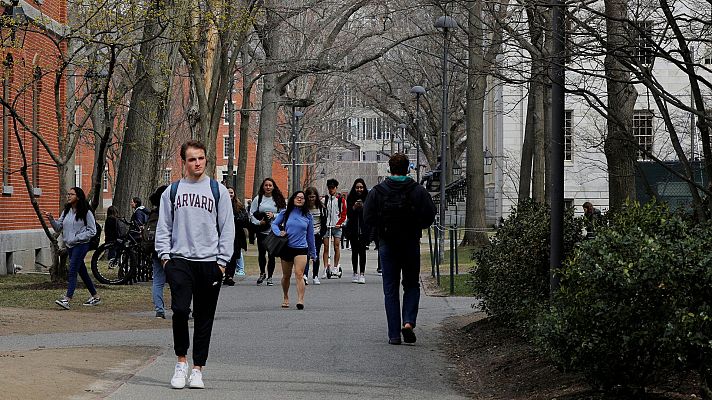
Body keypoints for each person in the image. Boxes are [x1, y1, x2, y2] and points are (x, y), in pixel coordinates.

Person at [155, 140, 235, 389]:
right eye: (192, 159)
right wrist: (165, 258)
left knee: (204, 316)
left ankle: (198, 368)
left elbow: (227, 228)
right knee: (179, 310)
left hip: (210, 262)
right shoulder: (173, 191)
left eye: (200, 158)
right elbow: (164, 226)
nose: (197, 163)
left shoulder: (217, 190)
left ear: (206, 160)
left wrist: (222, 263)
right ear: (184, 162)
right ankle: (181, 362)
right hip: (179, 261)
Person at [364, 153, 436, 345]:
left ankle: (394, 334)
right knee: (411, 285)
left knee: (390, 289)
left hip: (387, 243)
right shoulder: (418, 190)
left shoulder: (378, 191)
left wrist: (379, 230)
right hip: (410, 242)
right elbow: (430, 215)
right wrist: (416, 225)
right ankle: (409, 322)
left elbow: (368, 217)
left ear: (390, 168)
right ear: (408, 169)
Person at [44, 187, 102, 309]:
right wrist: (51, 219)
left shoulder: (86, 212)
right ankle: (95, 296)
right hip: (70, 245)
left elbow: (92, 231)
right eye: (68, 194)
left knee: (72, 269)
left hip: (81, 245)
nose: (69, 196)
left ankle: (67, 299)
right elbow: (58, 228)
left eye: (72, 194)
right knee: (82, 271)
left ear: (78, 197)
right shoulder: (66, 211)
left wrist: (77, 237)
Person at [273, 191, 317, 310]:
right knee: (286, 276)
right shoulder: (285, 213)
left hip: (302, 248)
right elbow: (274, 224)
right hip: (287, 247)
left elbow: (310, 236)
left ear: (305, 201)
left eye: (302, 198)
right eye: (297, 197)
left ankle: (300, 300)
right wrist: (279, 232)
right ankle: (286, 297)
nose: (299, 199)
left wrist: (313, 252)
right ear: (293, 199)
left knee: (299, 274)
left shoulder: (307, 215)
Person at [249, 178, 286, 286]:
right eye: (266, 185)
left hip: (274, 231)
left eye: (270, 185)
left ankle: (270, 277)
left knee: (271, 254)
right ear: (263, 187)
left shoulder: (278, 199)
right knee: (261, 253)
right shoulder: (258, 199)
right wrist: (258, 222)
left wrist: (274, 215)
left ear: (273, 187)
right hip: (262, 231)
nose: (268, 187)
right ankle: (262, 273)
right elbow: (251, 214)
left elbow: (284, 213)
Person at [145, 185, 168, 319]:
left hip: (155, 250)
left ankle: (159, 309)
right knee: (178, 281)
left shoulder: (154, 213)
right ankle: (182, 308)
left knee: (158, 281)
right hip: (172, 251)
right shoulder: (172, 212)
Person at [344, 178, 369, 284]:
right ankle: (355, 272)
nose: (359, 189)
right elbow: (348, 214)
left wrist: (363, 207)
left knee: (362, 251)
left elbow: (369, 213)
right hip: (353, 229)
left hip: (364, 229)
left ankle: (362, 273)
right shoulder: (350, 198)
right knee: (354, 251)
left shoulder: (368, 198)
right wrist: (354, 207)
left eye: (361, 187)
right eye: (357, 187)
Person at [224, 186, 249, 286]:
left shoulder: (239, 206)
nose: (230, 195)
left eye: (231, 193)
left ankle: (230, 276)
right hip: (223, 234)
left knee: (234, 256)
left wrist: (236, 219)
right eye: (228, 192)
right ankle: (224, 274)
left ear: (234, 194)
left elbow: (245, 220)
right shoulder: (220, 204)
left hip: (236, 235)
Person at [322, 178, 346, 279]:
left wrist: (339, 223)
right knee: (326, 247)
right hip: (327, 226)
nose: (331, 190)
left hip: (336, 226)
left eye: (333, 188)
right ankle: (325, 267)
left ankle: (335, 267)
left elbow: (344, 214)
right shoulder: (324, 200)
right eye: (329, 188)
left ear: (336, 188)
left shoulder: (341, 200)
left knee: (336, 246)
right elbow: (322, 213)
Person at [304, 187, 325, 285]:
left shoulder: (321, 208)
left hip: (317, 233)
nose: (312, 199)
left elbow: (324, 221)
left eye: (313, 197)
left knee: (315, 255)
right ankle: (305, 275)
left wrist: (321, 233)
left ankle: (315, 275)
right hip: (306, 234)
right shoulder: (304, 208)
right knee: (306, 255)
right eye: (310, 197)